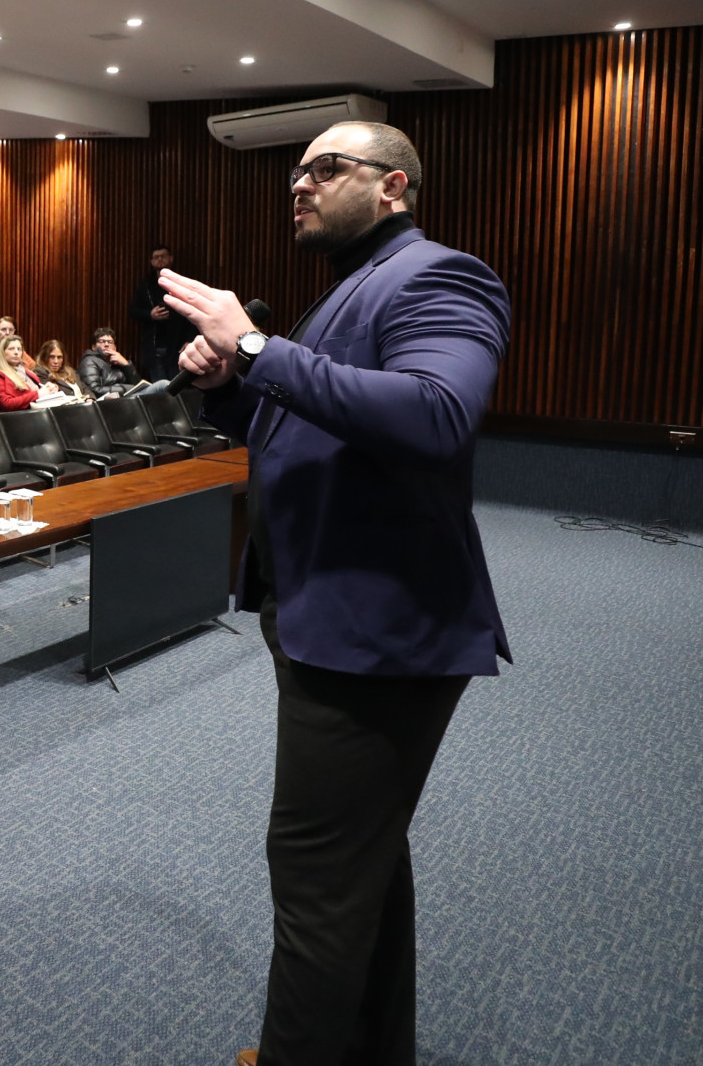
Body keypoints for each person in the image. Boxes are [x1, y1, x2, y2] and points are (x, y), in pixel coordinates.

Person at [163, 120, 511, 1066]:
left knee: (315, 874)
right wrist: (233, 381)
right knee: (360, 861)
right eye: (294, 175)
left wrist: (260, 346)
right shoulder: (349, 287)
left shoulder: (440, 274)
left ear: (393, 185)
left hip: (378, 631)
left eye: (325, 168)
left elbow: (436, 416)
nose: (298, 186)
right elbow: (307, 421)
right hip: (329, 612)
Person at [129, 243, 191, 383]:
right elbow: (133, 310)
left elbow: (191, 313)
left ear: (171, 259)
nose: (160, 260)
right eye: (156, 257)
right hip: (155, 346)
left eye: (163, 256)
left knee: (178, 388)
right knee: (160, 391)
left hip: (178, 346)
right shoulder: (145, 286)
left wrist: (190, 339)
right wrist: (150, 314)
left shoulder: (181, 283)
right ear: (151, 262)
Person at [79, 326, 161, 399]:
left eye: (110, 342)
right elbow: (93, 390)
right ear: (93, 347)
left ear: (114, 348)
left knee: (162, 390)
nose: (106, 344)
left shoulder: (117, 362)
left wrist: (126, 365)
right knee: (161, 385)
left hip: (126, 399)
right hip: (109, 401)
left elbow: (138, 385)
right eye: (101, 341)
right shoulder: (89, 360)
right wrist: (124, 389)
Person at [0, 335, 61, 411]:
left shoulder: (27, 372)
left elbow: (39, 391)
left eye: (19, 349)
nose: (16, 352)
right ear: (3, 352)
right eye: (11, 349)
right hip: (19, 417)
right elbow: (6, 404)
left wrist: (50, 389)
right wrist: (38, 394)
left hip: (38, 410)